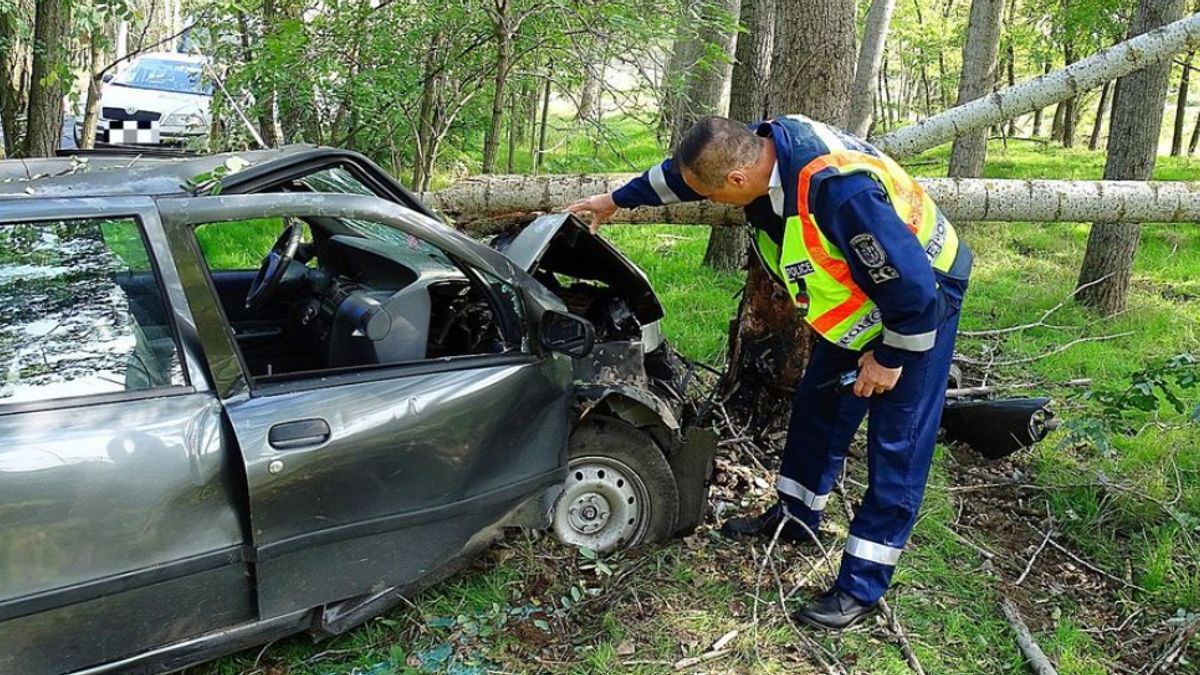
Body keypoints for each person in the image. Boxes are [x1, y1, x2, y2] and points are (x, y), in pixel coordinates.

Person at [567, 114, 972, 631]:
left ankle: (861, 587)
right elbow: (682, 175)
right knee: (818, 410)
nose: (711, 204)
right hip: (857, 306)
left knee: (898, 443)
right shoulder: (756, 149)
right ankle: (796, 517)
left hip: (921, 303)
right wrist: (615, 200)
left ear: (738, 182)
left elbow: (914, 295)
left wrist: (889, 359)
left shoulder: (840, 195)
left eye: (714, 197)